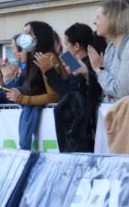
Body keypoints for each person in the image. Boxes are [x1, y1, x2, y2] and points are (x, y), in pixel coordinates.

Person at [44, 23, 103, 152]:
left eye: (67, 45)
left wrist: (49, 71)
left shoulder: (86, 64)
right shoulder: (75, 62)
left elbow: (67, 92)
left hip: (82, 127)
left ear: (76, 46)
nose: (65, 49)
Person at [5, 21, 63, 149]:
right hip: (32, 109)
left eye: (27, 33)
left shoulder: (47, 57)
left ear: (38, 37)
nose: (22, 38)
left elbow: (53, 96)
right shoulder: (35, 57)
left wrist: (22, 98)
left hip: (37, 109)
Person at [89, 0, 129, 100]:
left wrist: (99, 69)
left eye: (98, 17)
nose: (94, 22)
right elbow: (108, 90)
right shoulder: (111, 47)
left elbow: (121, 90)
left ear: (111, 19)